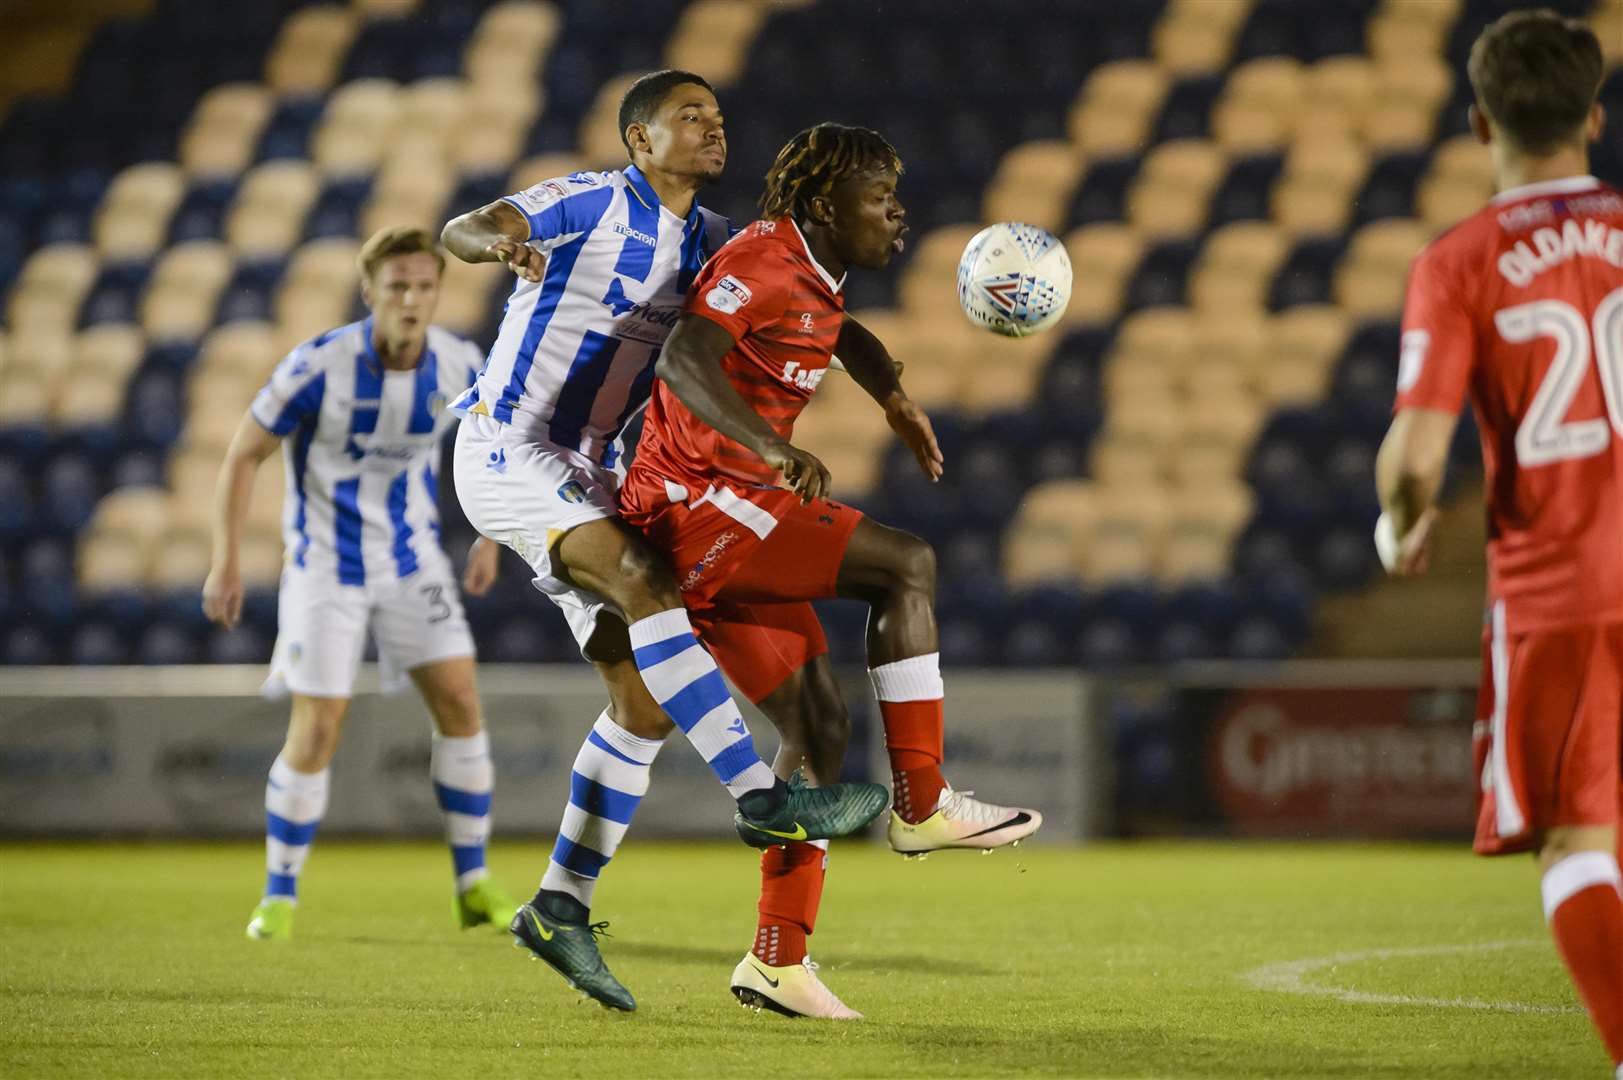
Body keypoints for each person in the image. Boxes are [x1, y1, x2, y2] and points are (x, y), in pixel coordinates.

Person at [438, 71, 890, 1008]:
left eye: (720, 117)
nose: (713, 128)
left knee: (642, 706)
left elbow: (809, 302)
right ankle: (757, 800)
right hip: (508, 447)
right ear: (639, 139)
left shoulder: (711, 239)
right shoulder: (590, 198)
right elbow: (467, 228)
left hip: (587, 470)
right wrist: (500, 247)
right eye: (690, 116)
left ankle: (558, 905)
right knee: (649, 579)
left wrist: (886, 382)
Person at [618, 119, 1043, 968]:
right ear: (823, 202)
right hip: (697, 505)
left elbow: (831, 325)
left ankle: (777, 960)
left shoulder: (809, 270)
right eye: (879, 199)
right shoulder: (761, 260)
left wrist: (890, 391)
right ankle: (921, 804)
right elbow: (683, 359)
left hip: (719, 513)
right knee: (906, 564)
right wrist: (771, 445)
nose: (898, 215)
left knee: (817, 724)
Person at [1373, 9, 1623, 1072]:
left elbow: (1417, 458)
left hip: (1563, 589)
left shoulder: (1459, 261)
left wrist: (1400, 519)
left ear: (1479, 120)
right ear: (1594, 118)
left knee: (1578, 839)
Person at [202, 226, 516, 940]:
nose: (410, 298)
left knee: (462, 704)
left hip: (412, 564)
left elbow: (495, 449)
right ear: (370, 291)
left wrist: (490, 537)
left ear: (438, 292)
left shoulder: (459, 362)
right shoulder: (318, 366)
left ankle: (473, 885)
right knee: (318, 729)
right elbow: (242, 455)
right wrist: (225, 559)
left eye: (423, 286)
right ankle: (278, 895)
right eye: (397, 286)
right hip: (324, 570)